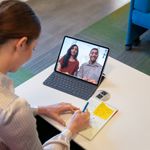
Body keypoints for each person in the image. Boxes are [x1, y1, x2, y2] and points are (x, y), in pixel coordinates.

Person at [0, 0, 90, 150]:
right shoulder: (13, 108)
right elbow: (11, 114)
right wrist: (71, 130)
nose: (31, 54)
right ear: (21, 44)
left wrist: (41, 109)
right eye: (33, 48)